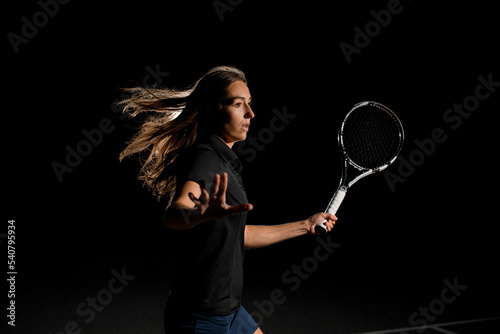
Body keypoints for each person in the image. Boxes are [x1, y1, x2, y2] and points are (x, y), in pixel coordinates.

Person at [119, 65, 337, 333]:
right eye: (238, 104)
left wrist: (305, 225)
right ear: (212, 109)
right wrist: (199, 214)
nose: (250, 113)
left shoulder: (225, 160)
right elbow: (175, 214)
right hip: (201, 319)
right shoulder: (206, 157)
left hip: (230, 312)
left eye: (250, 104)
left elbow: (237, 235)